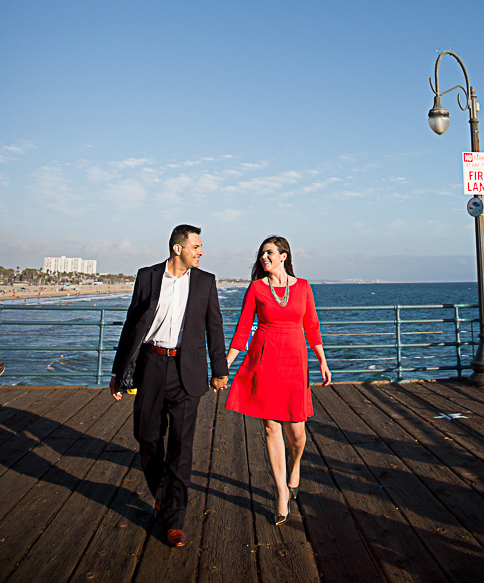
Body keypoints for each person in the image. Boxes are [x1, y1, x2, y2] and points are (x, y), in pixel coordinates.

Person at [110, 224, 228, 548]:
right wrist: (117, 371)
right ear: (178, 248)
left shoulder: (206, 282)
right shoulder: (147, 276)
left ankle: (174, 519)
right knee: (146, 436)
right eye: (196, 247)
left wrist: (220, 370)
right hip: (150, 365)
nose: (200, 252)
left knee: (181, 447)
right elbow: (131, 324)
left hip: (186, 371)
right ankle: (163, 494)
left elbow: (214, 328)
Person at [225, 235, 331, 524]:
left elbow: (311, 325)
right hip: (265, 359)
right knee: (272, 427)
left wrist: (322, 360)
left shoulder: (304, 287)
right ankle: (281, 491)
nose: (264, 258)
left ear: (284, 255)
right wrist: (226, 364)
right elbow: (243, 328)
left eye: (270, 252)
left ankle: (295, 464)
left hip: (295, 361)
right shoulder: (257, 288)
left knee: (296, 431)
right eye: (261, 254)